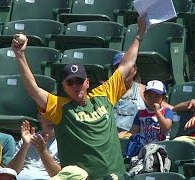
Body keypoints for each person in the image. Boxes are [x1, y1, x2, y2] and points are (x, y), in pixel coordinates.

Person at [12, 14, 147, 179]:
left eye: (79, 81)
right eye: (70, 82)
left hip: (115, 176)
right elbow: (33, 90)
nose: (76, 85)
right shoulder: (60, 107)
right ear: (64, 86)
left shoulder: (104, 94)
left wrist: (140, 33)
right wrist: (19, 54)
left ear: (87, 82)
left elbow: (126, 65)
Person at [111, 52, 195, 138]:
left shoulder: (141, 90)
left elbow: (170, 108)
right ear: (113, 70)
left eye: (127, 67)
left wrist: (189, 103)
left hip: (127, 138)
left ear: (134, 70)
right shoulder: (104, 90)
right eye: (119, 67)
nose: (124, 70)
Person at [7, 113, 60, 179]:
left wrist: (43, 151)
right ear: (40, 118)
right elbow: (11, 171)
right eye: (49, 115)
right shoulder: (28, 138)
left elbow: (60, 175)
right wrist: (25, 146)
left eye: (55, 116)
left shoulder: (65, 143)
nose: (52, 120)